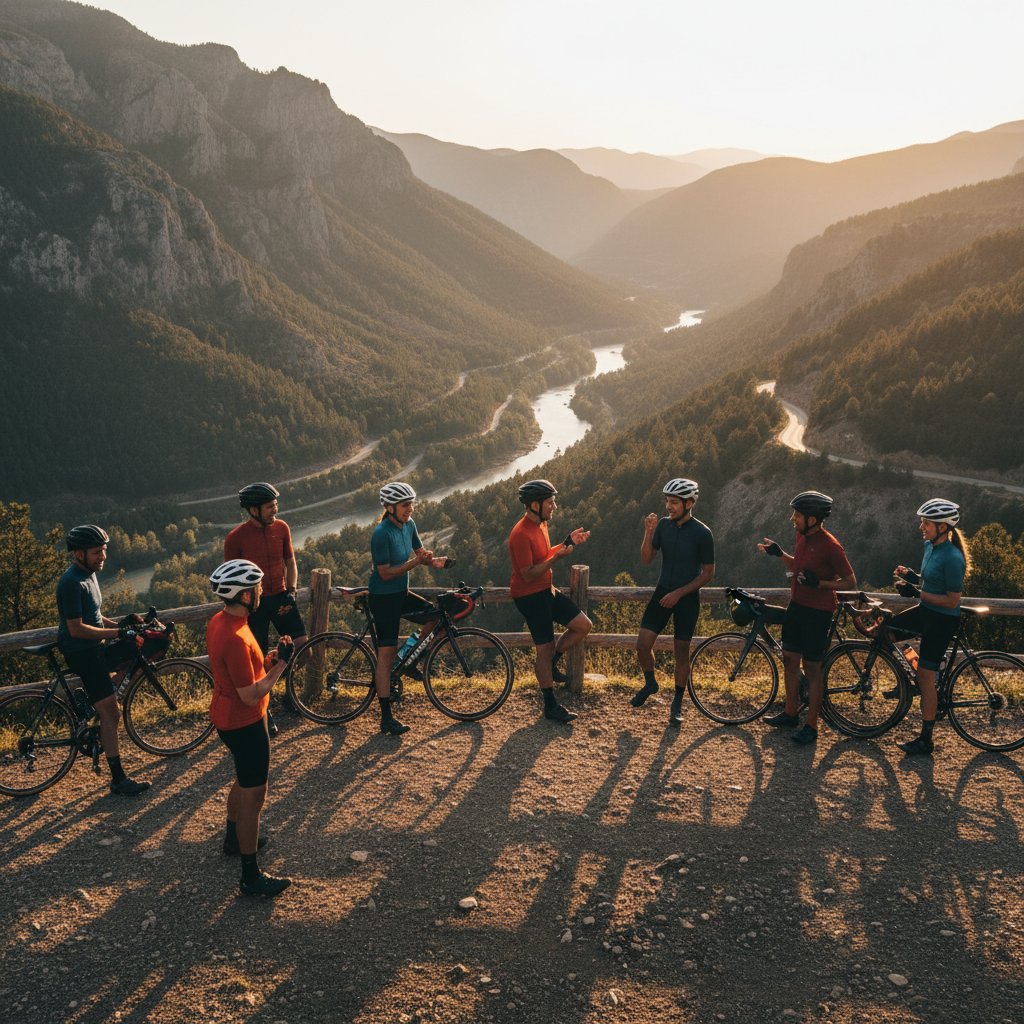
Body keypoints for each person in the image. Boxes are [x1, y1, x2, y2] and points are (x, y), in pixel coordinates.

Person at [207, 558, 293, 898]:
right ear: (243, 595)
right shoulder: (235, 636)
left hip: (226, 718)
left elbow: (244, 672)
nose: (259, 591)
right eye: (255, 588)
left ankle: (233, 837)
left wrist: (268, 660)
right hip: (245, 722)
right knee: (254, 796)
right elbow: (250, 693)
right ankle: (250, 875)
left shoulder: (221, 621)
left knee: (243, 782)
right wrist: (282, 665)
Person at [56, 524, 150, 796]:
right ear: (78, 554)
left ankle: (97, 705)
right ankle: (118, 780)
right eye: (97, 552)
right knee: (112, 712)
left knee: (131, 653)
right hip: (83, 653)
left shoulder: (88, 575)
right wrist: (118, 632)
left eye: (104, 550)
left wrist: (121, 625)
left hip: (92, 648)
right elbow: (77, 628)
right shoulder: (71, 582)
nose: (103, 556)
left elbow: (95, 618)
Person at [758, 491, 856, 745]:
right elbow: (797, 568)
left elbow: (849, 581)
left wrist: (820, 583)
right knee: (789, 659)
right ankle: (791, 713)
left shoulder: (831, 546)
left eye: (798, 515)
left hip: (818, 612)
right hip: (797, 606)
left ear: (813, 518)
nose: (793, 518)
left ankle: (811, 726)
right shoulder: (802, 538)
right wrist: (780, 555)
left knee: (812, 669)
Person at [631, 478, 715, 727]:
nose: (669, 506)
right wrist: (648, 532)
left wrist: (679, 593)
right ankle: (650, 682)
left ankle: (677, 702)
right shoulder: (664, 526)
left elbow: (708, 573)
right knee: (642, 644)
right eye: (667, 501)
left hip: (686, 598)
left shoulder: (703, 533)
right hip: (662, 591)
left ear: (689, 503)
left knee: (681, 652)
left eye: (675, 502)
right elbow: (647, 559)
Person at [224, 482, 307, 736]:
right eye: (270, 506)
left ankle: (288, 693)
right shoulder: (236, 538)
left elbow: (290, 563)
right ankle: (263, 709)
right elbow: (229, 579)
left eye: (275, 505)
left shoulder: (282, 528)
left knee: (303, 646)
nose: (275, 510)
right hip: (253, 605)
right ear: (253, 510)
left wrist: (291, 590)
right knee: (256, 661)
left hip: (281, 597)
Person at [889, 499, 970, 757]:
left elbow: (952, 599)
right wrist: (913, 578)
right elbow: (929, 580)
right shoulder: (929, 546)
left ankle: (926, 739)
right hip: (927, 612)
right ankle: (906, 679)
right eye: (922, 521)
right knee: (887, 629)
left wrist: (917, 593)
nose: (921, 526)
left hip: (943, 618)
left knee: (925, 676)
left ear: (943, 527)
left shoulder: (954, 557)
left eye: (926, 522)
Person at [508, 479, 592, 723]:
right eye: (551, 502)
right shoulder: (520, 533)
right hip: (530, 597)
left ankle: (553, 661)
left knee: (582, 626)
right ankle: (550, 704)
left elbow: (544, 555)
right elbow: (528, 574)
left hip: (546, 590)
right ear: (535, 504)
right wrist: (558, 559)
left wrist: (567, 542)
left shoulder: (541, 524)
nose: (555, 506)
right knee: (543, 649)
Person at [369, 482, 449, 736]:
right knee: (386, 653)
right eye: (405, 506)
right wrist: (416, 562)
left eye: (412, 504)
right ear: (390, 508)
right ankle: (386, 717)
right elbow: (385, 573)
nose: (410, 509)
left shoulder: (410, 525)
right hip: (383, 597)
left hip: (401, 594)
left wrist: (435, 562)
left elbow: (420, 553)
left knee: (435, 617)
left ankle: (409, 659)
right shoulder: (381, 533)